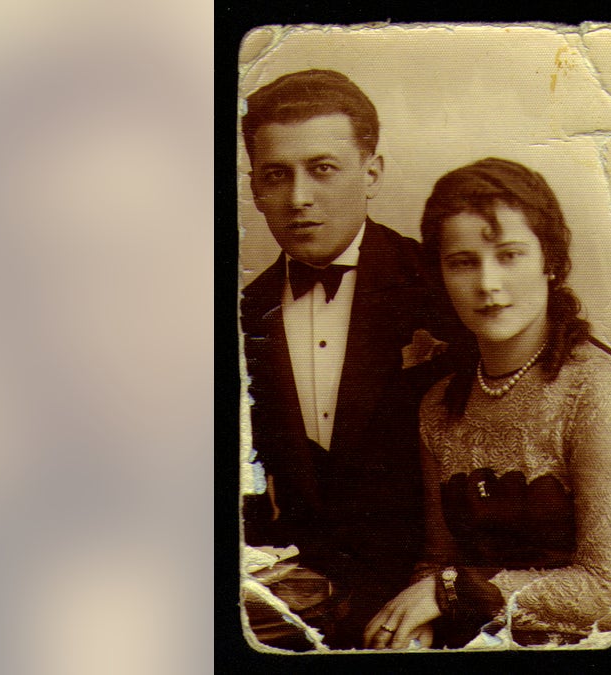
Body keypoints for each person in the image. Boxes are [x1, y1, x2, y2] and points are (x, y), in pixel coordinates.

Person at [364, 158, 611, 649]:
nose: (487, 284)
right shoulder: (440, 405)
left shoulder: (597, 394)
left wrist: (449, 594)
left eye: (509, 256)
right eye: (463, 262)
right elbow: (437, 559)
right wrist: (418, 622)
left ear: (550, 262)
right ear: (441, 274)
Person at [238, 69, 460, 649]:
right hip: (300, 607)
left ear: (372, 173)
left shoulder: (444, 284)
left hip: (428, 603)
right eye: (276, 176)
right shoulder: (245, 312)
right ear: (255, 188)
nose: (299, 198)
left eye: (323, 168)